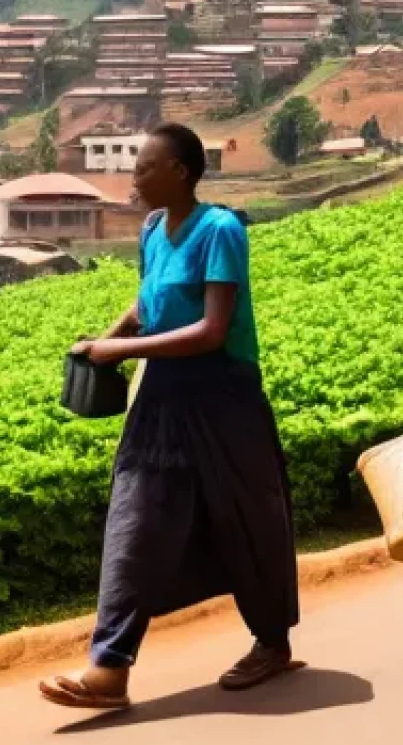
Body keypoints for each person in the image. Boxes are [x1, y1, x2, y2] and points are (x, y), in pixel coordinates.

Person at [40, 123, 300, 709]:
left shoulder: (221, 231)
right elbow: (148, 300)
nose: (133, 178)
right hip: (164, 395)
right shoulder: (155, 229)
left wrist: (121, 352)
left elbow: (211, 331)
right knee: (135, 520)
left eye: (143, 168)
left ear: (179, 173)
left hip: (223, 396)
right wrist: (104, 340)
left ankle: (272, 643)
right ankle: (108, 668)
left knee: (247, 519)